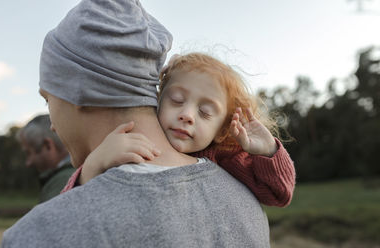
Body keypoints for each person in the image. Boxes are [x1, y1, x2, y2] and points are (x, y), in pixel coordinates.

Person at [0, 0, 274, 248]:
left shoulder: (37, 242)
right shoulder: (246, 202)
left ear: (78, 90)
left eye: (48, 99)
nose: (53, 125)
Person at [62, 53, 296, 207]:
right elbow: (67, 210)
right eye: (176, 100)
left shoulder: (224, 159)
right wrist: (92, 166)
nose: (187, 115)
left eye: (204, 112)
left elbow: (279, 194)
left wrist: (268, 151)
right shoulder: (131, 140)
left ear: (222, 130)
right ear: (157, 100)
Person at [17, 114, 75, 203]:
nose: (28, 163)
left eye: (28, 153)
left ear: (48, 146)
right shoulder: (84, 172)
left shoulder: (63, 182)